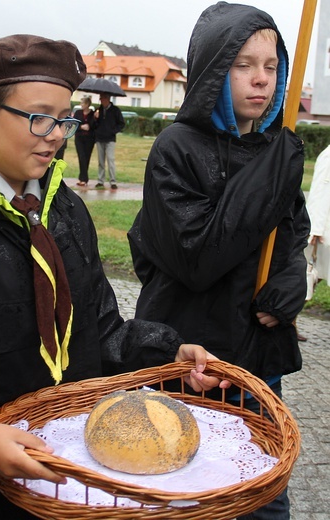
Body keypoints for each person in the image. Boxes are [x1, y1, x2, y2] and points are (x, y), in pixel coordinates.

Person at [0, 34, 228, 520]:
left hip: (70, 476)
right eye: (39, 117)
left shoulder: (64, 210)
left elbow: (96, 330)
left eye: (64, 119)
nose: (58, 135)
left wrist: (167, 351)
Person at [128, 3, 310, 519]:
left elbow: (291, 231)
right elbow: (197, 256)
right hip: (193, 362)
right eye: (243, 64)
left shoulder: (275, 145)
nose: (261, 80)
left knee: (264, 495)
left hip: (257, 359)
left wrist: (291, 281)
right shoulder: (176, 149)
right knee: (184, 494)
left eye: (272, 66)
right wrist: (270, 177)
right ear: (212, 70)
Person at [305, 144, 330, 284]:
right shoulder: (329, 156)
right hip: (323, 229)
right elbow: (321, 190)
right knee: (311, 273)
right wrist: (315, 227)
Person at [93, 92, 125, 189]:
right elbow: (94, 125)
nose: (100, 100)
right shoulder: (98, 110)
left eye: (102, 98)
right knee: (101, 161)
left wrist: (113, 131)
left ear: (107, 99)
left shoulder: (115, 110)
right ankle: (100, 180)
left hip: (110, 139)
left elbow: (121, 123)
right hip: (99, 138)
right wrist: (95, 118)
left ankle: (113, 181)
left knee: (110, 160)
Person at [73, 96, 95, 186]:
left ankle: (83, 178)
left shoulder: (93, 114)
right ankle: (83, 179)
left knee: (86, 158)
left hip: (89, 139)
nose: (81, 105)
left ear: (87, 104)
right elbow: (74, 123)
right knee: (81, 157)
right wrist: (81, 126)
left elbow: (95, 126)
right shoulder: (78, 113)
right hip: (79, 138)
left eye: (83, 103)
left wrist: (94, 120)